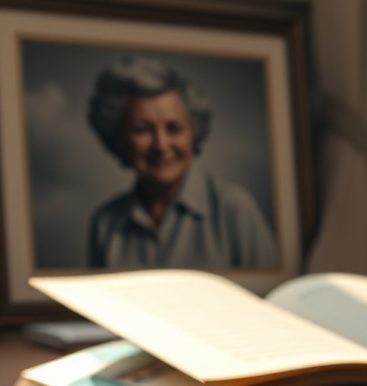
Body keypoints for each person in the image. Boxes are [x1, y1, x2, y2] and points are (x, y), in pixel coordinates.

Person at [86, 55, 281, 270]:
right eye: (142, 130)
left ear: (194, 133)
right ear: (118, 138)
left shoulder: (234, 209)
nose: (160, 145)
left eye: (174, 128)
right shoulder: (105, 224)